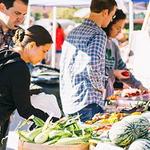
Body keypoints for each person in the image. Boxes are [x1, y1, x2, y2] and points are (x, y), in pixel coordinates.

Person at [0, 25, 59, 144]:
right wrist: (54, 121)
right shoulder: (19, 68)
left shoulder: (6, 53)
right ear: (31, 45)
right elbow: (25, 110)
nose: (44, 57)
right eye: (44, 51)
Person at [60, 0, 117, 122]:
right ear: (105, 12)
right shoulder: (98, 33)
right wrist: (101, 88)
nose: (111, 19)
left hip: (69, 100)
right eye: (112, 16)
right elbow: (93, 63)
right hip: (88, 102)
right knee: (92, 140)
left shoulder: (73, 32)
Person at [102, 9, 147, 98]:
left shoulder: (113, 46)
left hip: (108, 96)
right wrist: (114, 73)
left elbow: (123, 70)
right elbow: (94, 71)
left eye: (121, 28)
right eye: (118, 28)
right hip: (96, 97)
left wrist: (139, 86)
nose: (120, 32)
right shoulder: (98, 43)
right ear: (109, 24)